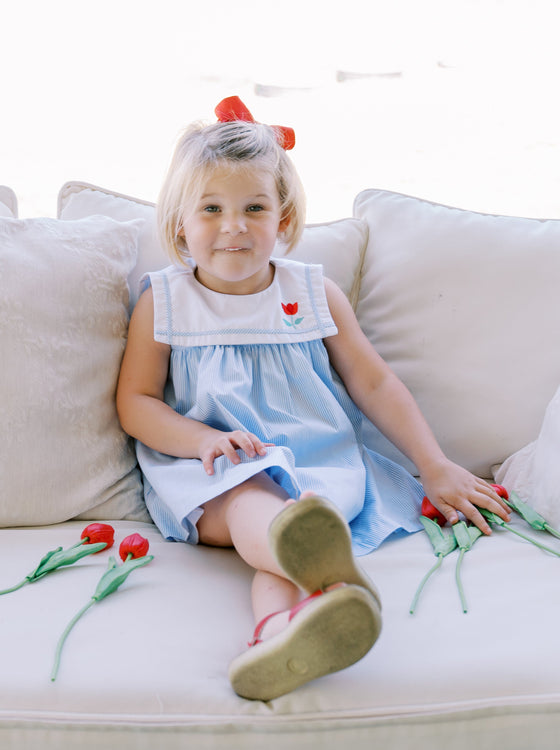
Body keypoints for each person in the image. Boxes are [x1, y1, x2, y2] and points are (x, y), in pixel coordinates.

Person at [116, 96, 510, 701]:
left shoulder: (312, 291)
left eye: (255, 207)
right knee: (254, 499)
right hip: (216, 469)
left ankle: (280, 633)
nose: (234, 225)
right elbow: (136, 402)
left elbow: (373, 382)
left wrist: (434, 465)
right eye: (212, 209)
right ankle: (324, 578)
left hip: (314, 463)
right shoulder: (165, 301)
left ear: (284, 215)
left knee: (296, 525)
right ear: (179, 224)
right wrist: (203, 440)